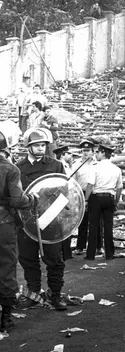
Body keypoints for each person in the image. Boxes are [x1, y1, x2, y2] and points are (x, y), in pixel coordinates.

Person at [15, 128, 68, 310]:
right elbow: (16, 195)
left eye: (43, 145)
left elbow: (64, 194)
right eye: (37, 145)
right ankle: (34, 293)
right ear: (28, 147)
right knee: (28, 259)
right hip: (27, 221)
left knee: (54, 260)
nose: (41, 149)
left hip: (50, 221)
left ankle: (56, 295)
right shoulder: (18, 167)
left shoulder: (55, 165)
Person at [0, 123, 39, 332]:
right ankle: (5, 318)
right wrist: (31, 199)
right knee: (6, 267)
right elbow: (18, 200)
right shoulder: (10, 168)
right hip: (3, 223)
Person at [84, 140, 122, 261]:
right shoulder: (116, 169)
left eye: (98, 152)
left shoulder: (95, 167)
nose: (96, 154)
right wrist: (116, 202)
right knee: (108, 226)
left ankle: (90, 254)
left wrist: (86, 200)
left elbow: (90, 185)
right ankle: (109, 253)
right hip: (109, 197)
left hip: (96, 197)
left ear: (103, 153)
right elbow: (119, 188)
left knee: (93, 226)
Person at [72, 139, 101, 255]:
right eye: (83, 150)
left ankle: (98, 246)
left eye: (88, 150)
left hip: (95, 193)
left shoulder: (97, 164)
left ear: (93, 151)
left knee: (97, 221)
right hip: (81, 193)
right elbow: (73, 181)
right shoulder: (77, 164)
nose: (85, 153)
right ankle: (80, 246)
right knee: (82, 221)